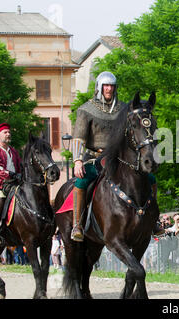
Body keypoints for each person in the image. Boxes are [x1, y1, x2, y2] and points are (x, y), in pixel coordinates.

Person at [70, 71, 128, 241]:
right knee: (81, 182)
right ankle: (77, 225)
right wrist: (78, 161)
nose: (109, 89)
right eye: (106, 85)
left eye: (111, 86)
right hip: (94, 158)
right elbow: (79, 137)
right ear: (99, 87)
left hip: (119, 159)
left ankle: (152, 222)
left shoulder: (124, 109)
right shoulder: (86, 109)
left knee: (148, 178)